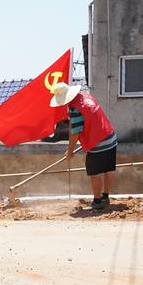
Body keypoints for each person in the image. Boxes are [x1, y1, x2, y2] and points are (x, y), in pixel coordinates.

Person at [50, 82, 117, 211]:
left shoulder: (75, 110)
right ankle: (105, 197)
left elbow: (75, 133)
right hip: (109, 135)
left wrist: (70, 151)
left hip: (97, 142)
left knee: (94, 172)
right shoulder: (86, 97)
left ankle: (97, 202)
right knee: (108, 169)